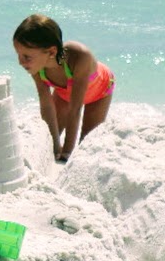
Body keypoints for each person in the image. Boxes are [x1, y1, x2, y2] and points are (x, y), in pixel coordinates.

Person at [12, 14, 114, 163]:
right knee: (50, 139)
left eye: (26, 57)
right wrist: (55, 149)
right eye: (19, 55)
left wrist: (66, 152)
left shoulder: (79, 56)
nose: (20, 62)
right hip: (64, 94)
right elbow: (46, 105)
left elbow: (75, 109)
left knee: (86, 144)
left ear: (52, 52)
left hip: (99, 92)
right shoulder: (37, 66)